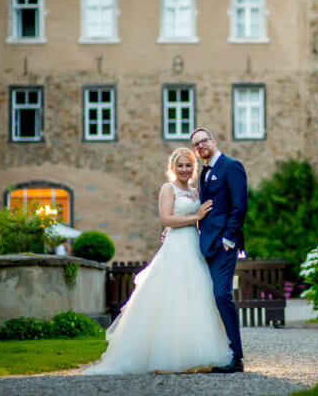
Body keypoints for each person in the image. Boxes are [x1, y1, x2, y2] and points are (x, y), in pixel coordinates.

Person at [84, 147, 231, 374]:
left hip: (194, 246)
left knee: (197, 295)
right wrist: (195, 216)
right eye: (180, 165)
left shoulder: (196, 192)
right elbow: (167, 219)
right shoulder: (168, 188)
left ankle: (196, 353)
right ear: (173, 167)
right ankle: (168, 355)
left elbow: (204, 219)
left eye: (188, 165)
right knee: (171, 296)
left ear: (194, 167)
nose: (184, 169)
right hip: (176, 247)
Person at [190, 127, 247, 373]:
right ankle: (216, 351)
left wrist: (228, 239)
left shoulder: (232, 166)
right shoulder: (203, 173)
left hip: (223, 245)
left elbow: (239, 206)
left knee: (222, 295)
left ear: (213, 141)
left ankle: (236, 356)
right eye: (196, 144)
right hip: (206, 245)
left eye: (203, 141)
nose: (200, 146)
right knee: (207, 297)